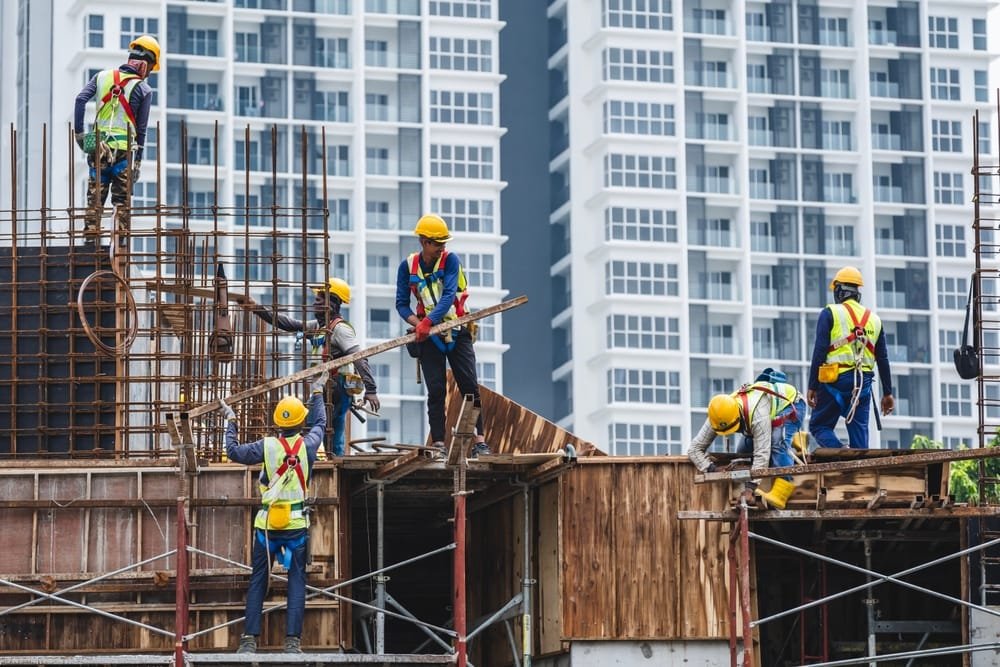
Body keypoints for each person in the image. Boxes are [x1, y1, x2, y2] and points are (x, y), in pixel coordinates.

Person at [222, 377, 328, 655]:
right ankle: (292, 642)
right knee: (296, 583)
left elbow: (233, 452)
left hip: (267, 528)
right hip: (296, 528)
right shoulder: (309, 445)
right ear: (299, 422)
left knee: (258, 580)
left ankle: (248, 640)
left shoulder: (267, 447)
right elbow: (320, 425)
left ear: (278, 422)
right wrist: (317, 392)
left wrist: (231, 421)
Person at [240, 278, 379, 457]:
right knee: (330, 431)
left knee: (315, 427)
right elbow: (287, 323)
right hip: (324, 388)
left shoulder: (340, 330)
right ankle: (334, 460)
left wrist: (371, 389)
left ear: (333, 303)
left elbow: (359, 357)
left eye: (320, 299)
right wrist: (256, 308)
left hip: (336, 388)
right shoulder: (320, 327)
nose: (315, 303)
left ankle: (321, 461)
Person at [395, 214, 490, 456]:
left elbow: (449, 295)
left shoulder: (450, 261)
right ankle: (438, 443)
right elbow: (402, 304)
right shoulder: (407, 267)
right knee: (436, 390)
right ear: (425, 242)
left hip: (458, 329)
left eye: (444, 243)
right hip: (430, 337)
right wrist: (418, 324)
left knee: (469, 386)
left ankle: (480, 440)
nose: (442, 248)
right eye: (438, 243)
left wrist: (427, 321)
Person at [73, 35, 159, 236]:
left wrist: (80, 136)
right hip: (123, 152)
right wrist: (137, 161)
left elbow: (80, 100)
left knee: (94, 204)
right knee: (121, 207)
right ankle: (119, 250)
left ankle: (90, 244)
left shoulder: (101, 77)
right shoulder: (144, 89)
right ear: (145, 66)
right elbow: (141, 130)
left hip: (97, 147)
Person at [688, 369, 806, 510]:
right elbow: (694, 449)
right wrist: (711, 468)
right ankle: (789, 438)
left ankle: (783, 489)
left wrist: (750, 489)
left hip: (791, 404)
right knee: (742, 451)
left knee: (776, 443)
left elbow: (762, 453)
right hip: (760, 418)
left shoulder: (757, 414)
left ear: (738, 416)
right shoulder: (718, 416)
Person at [807, 266, 895, 449]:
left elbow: (820, 351)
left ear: (838, 291)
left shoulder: (830, 313)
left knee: (819, 425)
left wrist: (812, 386)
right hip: (862, 383)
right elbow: (883, 359)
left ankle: (840, 452)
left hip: (834, 380)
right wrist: (888, 393)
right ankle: (858, 465)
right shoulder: (875, 320)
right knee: (860, 437)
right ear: (857, 294)